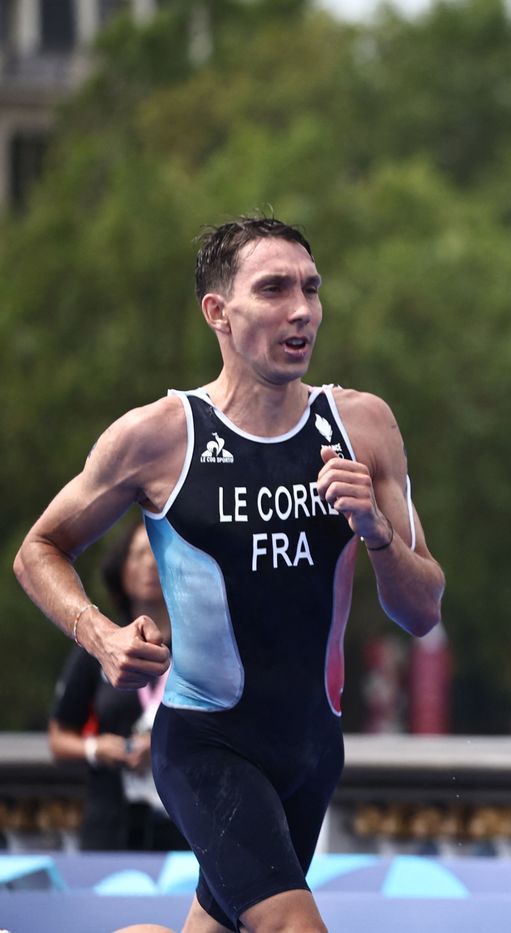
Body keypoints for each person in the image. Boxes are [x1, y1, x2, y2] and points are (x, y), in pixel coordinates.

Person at [13, 217, 445, 932]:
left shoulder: (363, 426)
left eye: (310, 288)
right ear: (218, 311)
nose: (301, 308)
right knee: (291, 924)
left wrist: (375, 532)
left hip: (313, 746)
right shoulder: (159, 435)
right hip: (207, 741)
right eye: (273, 288)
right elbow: (39, 548)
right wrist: (101, 635)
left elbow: (423, 608)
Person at [49, 520, 187, 851]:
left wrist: (163, 746)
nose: (151, 565)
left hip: (186, 827)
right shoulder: (98, 647)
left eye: (158, 553)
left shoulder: (201, 647)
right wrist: (98, 749)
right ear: (121, 571)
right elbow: (59, 738)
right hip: (111, 829)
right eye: (139, 554)